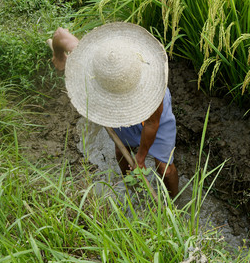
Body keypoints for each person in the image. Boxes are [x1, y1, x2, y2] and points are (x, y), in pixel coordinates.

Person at [47, 23, 179, 198]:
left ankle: (174, 204)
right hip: (115, 106)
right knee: (122, 152)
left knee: (165, 170)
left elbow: (152, 124)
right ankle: (134, 192)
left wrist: (140, 159)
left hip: (153, 118)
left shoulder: (152, 92)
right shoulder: (97, 66)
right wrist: (59, 56)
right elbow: (61, 35)